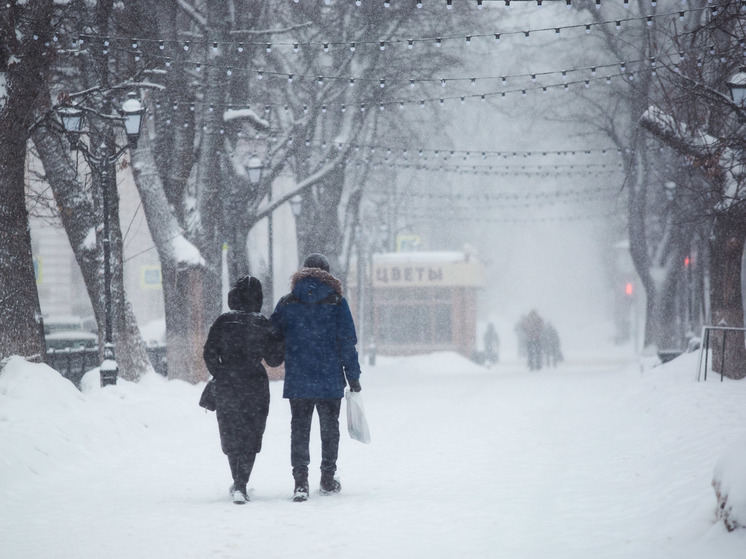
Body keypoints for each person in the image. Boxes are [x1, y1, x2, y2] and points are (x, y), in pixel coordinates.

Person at [271, 253, 362, 502]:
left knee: (299, 429)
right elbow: (346, 342)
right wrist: (353, 377)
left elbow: (272, 335)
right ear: (327, 273)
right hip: (329, 377)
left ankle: (300, 482)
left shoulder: (287, 302)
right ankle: (327, 478)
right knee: (329, 429)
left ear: (303, 271)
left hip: (299, 378)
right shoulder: (336, 302)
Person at [203, 275, 284, 505]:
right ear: (258, 298)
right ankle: (242, 483)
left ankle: (237, 481)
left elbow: (209, 351)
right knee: (251, 432)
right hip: (255, 384)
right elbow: (274, 360)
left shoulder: (222, 321)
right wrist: (282, 340)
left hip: (228, 384)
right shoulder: (263, 323)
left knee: (230, 431)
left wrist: (220, 372)